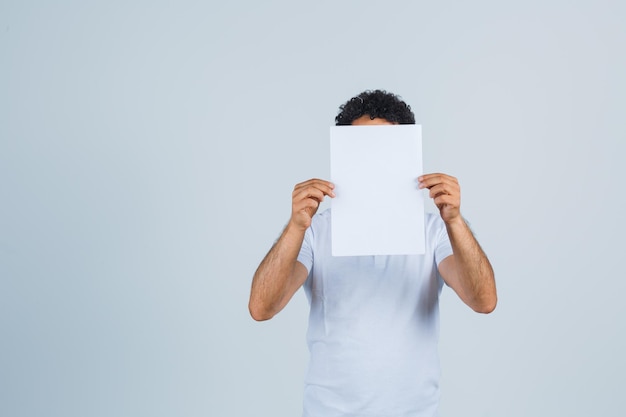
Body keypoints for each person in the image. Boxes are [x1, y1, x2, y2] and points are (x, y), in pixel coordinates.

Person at [249, 90, 497, 417]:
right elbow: (262, 307)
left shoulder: (433, 231)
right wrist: (296, 226)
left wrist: (454, 220)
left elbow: (483, 300)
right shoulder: (316, 230)